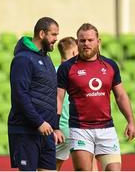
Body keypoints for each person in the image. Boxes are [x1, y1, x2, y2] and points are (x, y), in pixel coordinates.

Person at [57, 23, 135, 171]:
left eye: (90, 40)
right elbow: (58, 98)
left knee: (114, 170)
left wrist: (131, 121)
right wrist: (55, 125)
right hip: (80, 129)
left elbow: (121, 96)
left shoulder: (110, 65)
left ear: (98, 42)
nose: (86, 43)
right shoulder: (67, 68)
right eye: (82, 40)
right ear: (77, 42)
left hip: (106, 129)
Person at [8, 17, 59, 171]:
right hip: (26, 131)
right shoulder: (22, 59)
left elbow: (51, 93)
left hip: (47, 132)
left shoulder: (47, 58)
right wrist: (39, 122)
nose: (56, 39)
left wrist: (55, 127)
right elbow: (20, 95)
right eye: (53, 34)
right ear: (42, 33)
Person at [55, 36, 78, 171]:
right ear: (75, 52)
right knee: (88, 165)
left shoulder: (51, 72)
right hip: (77, 128)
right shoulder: (77, 72)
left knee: (52, 166)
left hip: (59, 129)